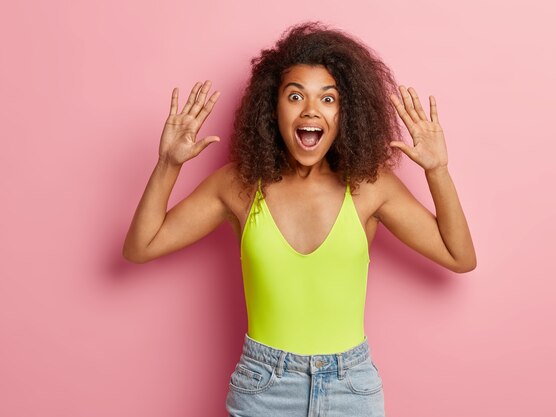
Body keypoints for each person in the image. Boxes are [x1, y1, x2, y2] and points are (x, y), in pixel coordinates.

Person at [123, 21, 476, 417]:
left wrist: (438, 171)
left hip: (351, 388)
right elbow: (141, 246)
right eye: (296, 96)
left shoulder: (369, 187)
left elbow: (459, 256)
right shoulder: (239, 186)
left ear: (346, 112)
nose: (311, 110)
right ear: (272, 108)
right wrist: (168, 165)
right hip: (264, 387)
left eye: (328, 99)